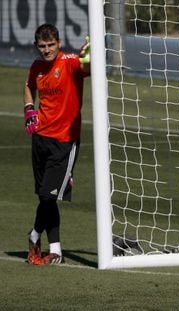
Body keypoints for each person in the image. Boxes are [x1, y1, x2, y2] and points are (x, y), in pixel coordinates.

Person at [24, 23, 90, 265]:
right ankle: (56, 250)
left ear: (59, 43)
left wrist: (89, 56)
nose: (47, 50)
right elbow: (29, 86)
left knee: (48, 195)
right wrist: (29, 109)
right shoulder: (37, 67)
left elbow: (87, 67)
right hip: (40, 138)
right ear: (36, 46)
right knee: (44, 197)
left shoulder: (70, 62)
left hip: (64, 141)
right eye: (42, 46)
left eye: (51, 45)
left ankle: (33, 234)